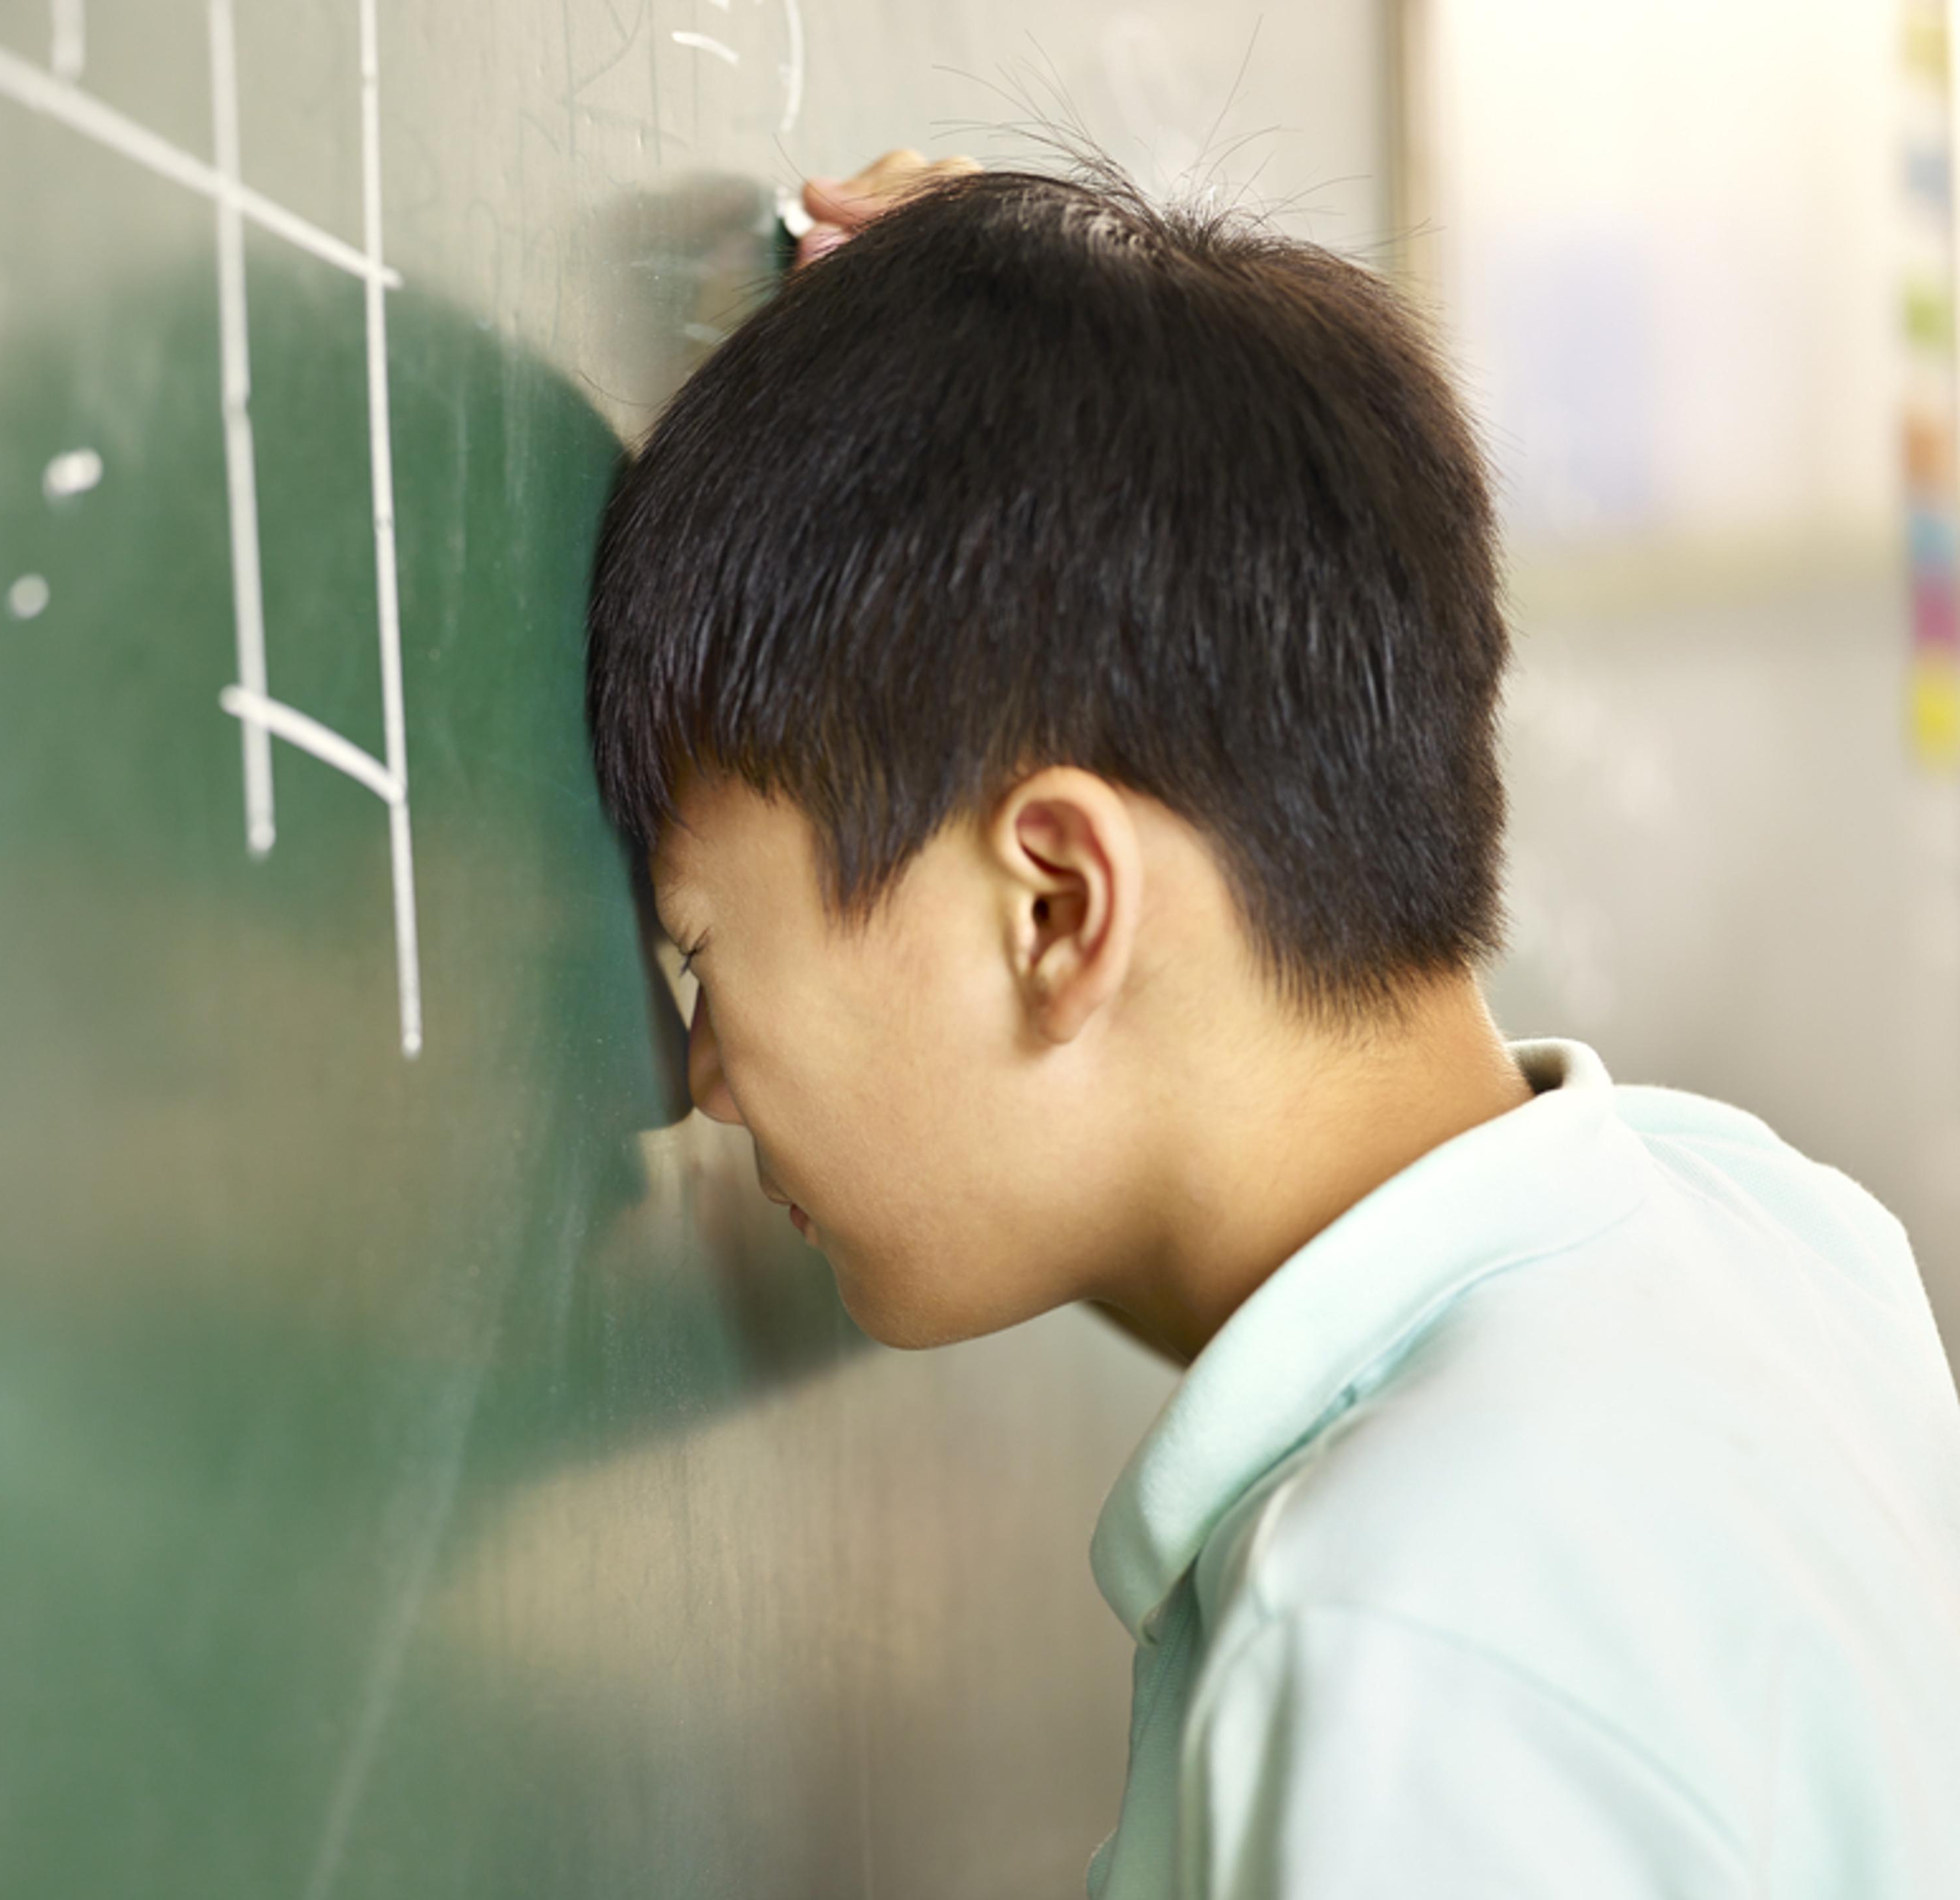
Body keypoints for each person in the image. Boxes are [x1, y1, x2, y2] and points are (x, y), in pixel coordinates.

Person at [586, 152, 1960, 1896]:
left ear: (1058, 908)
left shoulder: (1407, 1645)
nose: (692, 1083)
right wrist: (1032, 389)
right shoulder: (1762, 1230)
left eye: (705, 962)